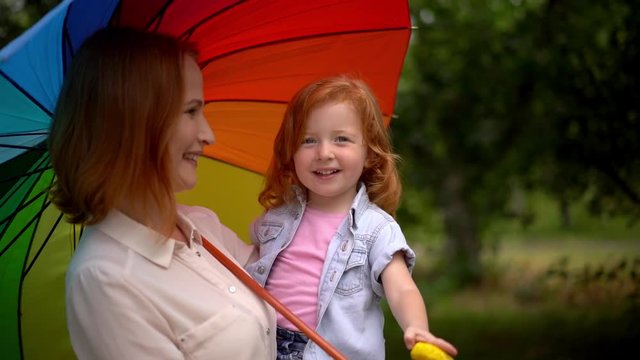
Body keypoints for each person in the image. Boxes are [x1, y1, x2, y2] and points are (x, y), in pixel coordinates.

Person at [48, 27, 276, 359]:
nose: (208, 134)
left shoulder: (201, 224)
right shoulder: (104, 279)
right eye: (191, 111)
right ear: (134, 120)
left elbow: (283, 277)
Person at [246, 75, 458, 359]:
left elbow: (402, 288)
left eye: (341, 139)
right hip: (265, 349)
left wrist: (417, 328)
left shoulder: (376, 228)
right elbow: (244, 271)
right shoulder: (276, 219)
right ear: (290, 152)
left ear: (369, 152)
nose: (324, 153)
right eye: (308, 140)